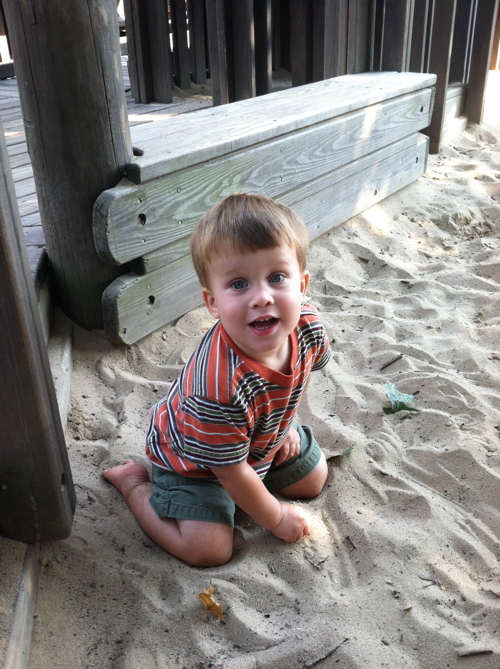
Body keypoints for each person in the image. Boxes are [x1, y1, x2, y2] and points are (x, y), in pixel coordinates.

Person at [104, 193, 331, 567]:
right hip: (198, 464)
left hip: (258, 441)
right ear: (212, 302)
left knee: (313, 479)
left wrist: (287, 426)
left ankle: (265, 467)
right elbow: (229, 471)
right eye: (239, 284)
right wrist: (275, 518)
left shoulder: (307, 326)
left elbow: (299, 378)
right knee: (208, 549)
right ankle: (135, 485)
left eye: (277, 277)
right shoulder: (216, 388)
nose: (261, 297)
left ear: (302, 284)